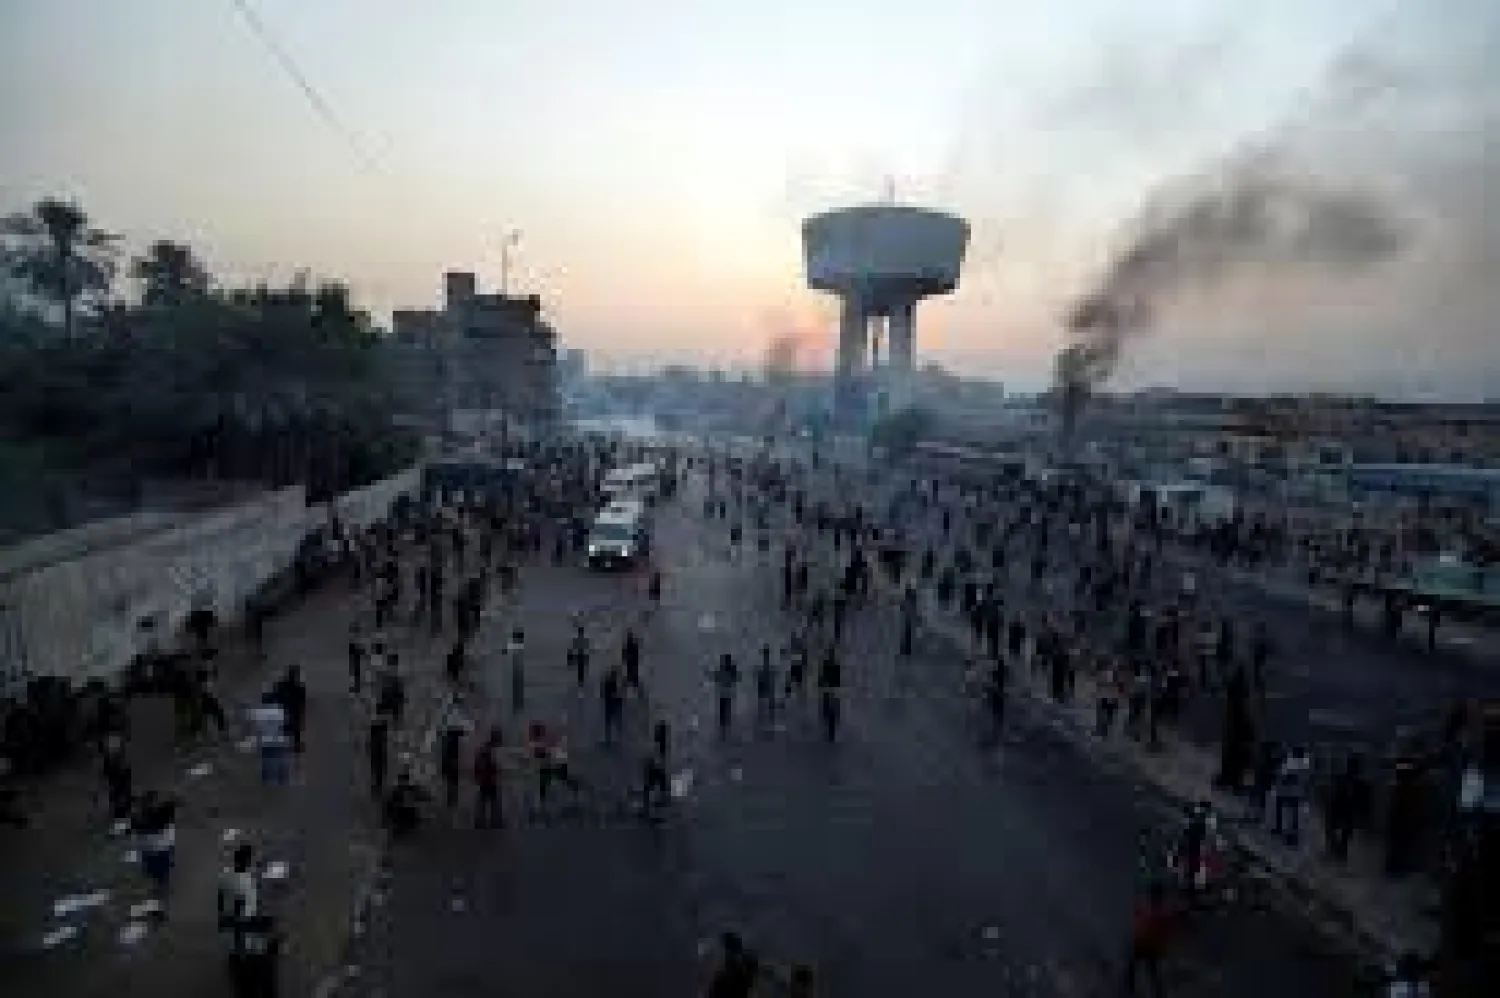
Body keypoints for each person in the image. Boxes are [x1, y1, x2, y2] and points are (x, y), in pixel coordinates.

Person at [1123, 882, 1172, 997]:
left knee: (1144, 968)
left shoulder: (1157, 909)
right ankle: (1132, 987)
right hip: (1147, 942)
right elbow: (1140, 920)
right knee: (1146, 969)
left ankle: (1130, 987)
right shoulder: (1158, 908)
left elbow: (1141, 920)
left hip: (1147, 942)